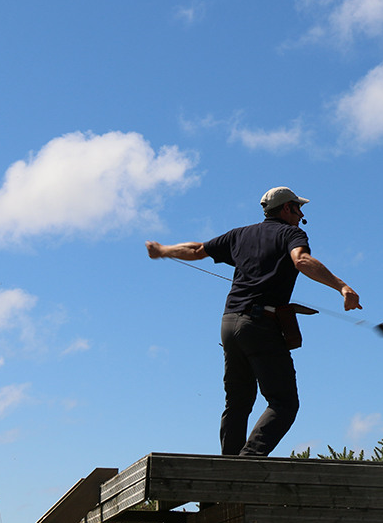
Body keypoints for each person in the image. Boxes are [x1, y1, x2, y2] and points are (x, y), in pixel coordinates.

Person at [145, 187, 361, 456]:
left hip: (229, 324)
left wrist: (164, 250)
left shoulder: (239, 234)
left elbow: (197, 250)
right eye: (298, 207)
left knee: (237, 403)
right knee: (283, 403)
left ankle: (229, 468)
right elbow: (302, 260)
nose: (301, 213)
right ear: (286, 209)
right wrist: (342, 287)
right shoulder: (291, 234)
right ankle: (247, 463)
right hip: (260, 325)